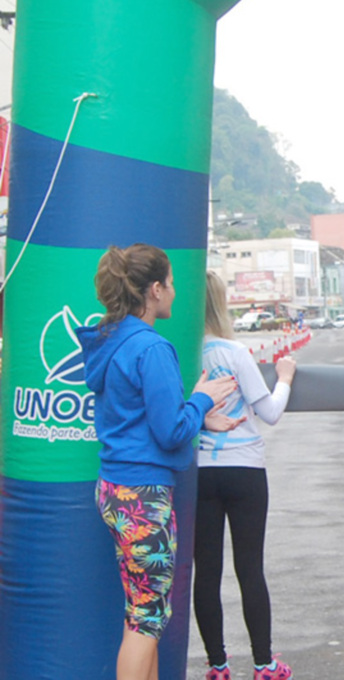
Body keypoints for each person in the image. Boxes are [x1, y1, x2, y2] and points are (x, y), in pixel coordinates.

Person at [76, 244, 239, 680]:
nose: (174, 292)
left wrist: (198, 415)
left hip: (116, 489)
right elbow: (169, 432)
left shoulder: (112, 343)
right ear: (154, 290)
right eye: (170, 283)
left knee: (142, 613)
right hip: (143, 497)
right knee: (147, 620)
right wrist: (202, 400)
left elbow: (142, 420)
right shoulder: (151, 348)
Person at [194, 272, 297, 680]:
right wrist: (284, 378)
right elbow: (269, 412)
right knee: (250, 568)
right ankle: (263, 664)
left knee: (206, 571)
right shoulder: (235, 352)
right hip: (245, 469)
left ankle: (217, 666)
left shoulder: (180, 351)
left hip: (200, 471)